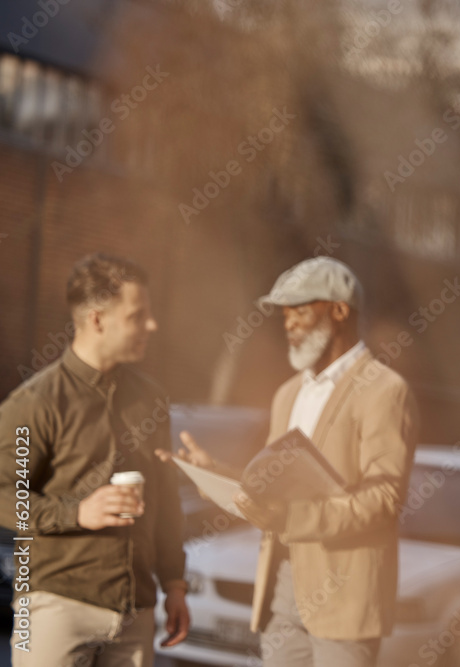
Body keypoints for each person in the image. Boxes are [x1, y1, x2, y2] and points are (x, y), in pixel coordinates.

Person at [157, 257, 418, 667]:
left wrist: (292, 517)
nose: (288, 323)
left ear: (338, 310)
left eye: (299, 310)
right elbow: (272, 485)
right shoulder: (287, 394)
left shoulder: (385, 390)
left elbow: (383, 498)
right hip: (282, 590)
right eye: (285, 314)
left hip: (344, 600)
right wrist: (214, 474)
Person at [0, 253, 189, 666]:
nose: (151, 326)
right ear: (97, 320)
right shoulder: (34, 403)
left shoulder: (152, 399)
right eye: (138, 316)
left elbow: (167, 500)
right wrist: (77, 513)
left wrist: (175, 582)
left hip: (135, 614)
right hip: (53, 610)